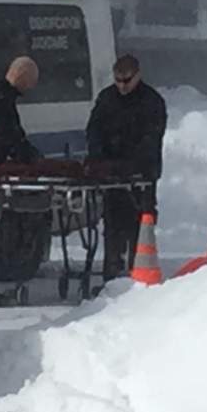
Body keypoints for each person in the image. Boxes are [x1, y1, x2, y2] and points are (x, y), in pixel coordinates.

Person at [86, 54, 167, 280]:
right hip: (112, 175)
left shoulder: (152, 101)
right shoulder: (107, 99)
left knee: (141, 224)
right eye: (118, 80)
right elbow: (94, 131)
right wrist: (99, 159)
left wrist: (133, 165)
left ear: (137, 76)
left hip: (142, 174)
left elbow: (151, 139)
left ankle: (138, 272)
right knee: (113, 224)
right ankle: (111, 273)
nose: (122, 86)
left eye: (127, 80)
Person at [0, 56, 41, 167]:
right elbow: (11, 136)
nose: (30, 88)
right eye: (31, 82)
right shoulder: (4, 102)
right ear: (23, 78)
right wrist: (32, 157)